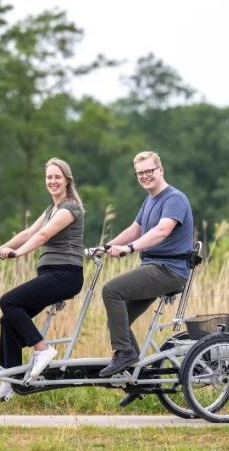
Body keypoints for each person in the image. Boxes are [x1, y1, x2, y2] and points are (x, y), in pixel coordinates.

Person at [0, 157, 85, 401]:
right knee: (9, 319)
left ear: (67, 180)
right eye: (49, 177)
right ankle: (10, 380)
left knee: (9, 301)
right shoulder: (51, 209)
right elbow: (29, 232)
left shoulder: (69, 208)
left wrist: (18, 253)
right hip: (51, 274)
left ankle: (43, 349)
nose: (52, 181)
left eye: (57, 177)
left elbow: (44, 234)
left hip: (66, 274)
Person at [98, 151, 194, 404]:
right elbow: (135, 229)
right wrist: (107, 246)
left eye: (149, 171)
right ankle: (137, 379)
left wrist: (130, 249)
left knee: (111, 291)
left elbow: (162, 232)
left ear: (160, 169)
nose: (145, 176)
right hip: (154, 268)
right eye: (140, 173)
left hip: (169, 270)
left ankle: (125, 354)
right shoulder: (149, 200)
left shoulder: (175, 198)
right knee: (118, 321)